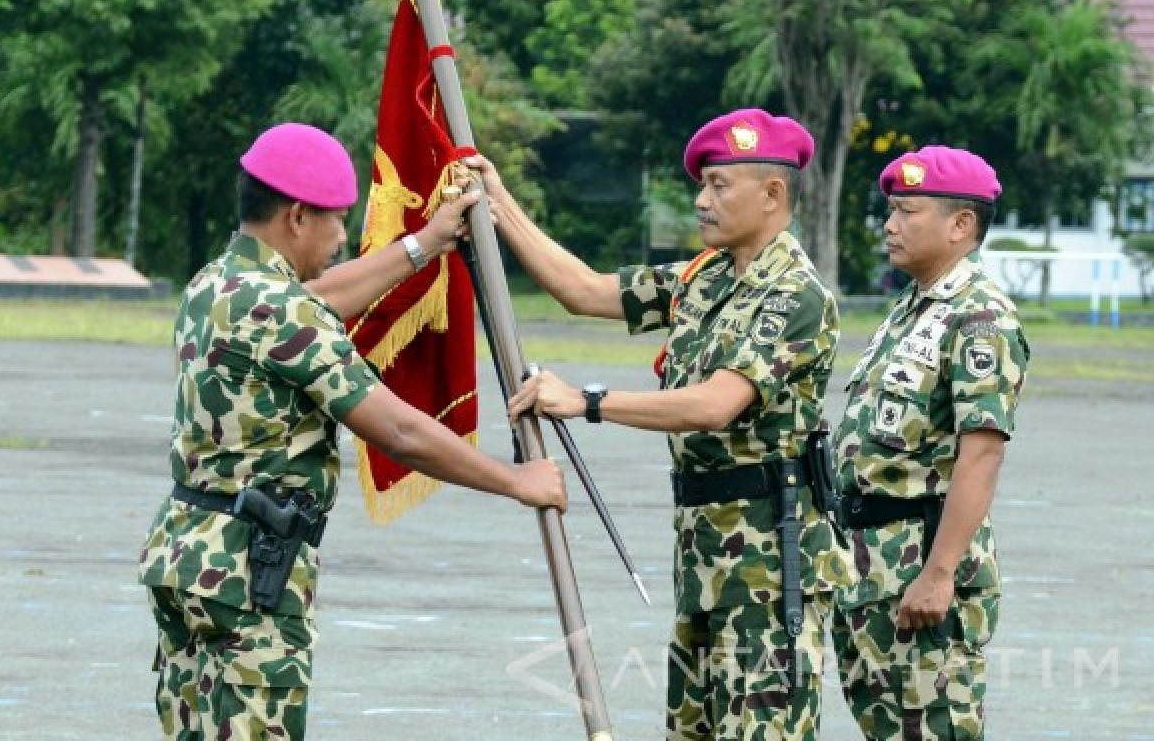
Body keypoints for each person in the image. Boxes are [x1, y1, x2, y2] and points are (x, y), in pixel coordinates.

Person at [137, 123, 566, 740]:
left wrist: (425, 244)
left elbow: (315, 299)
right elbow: (397, 430)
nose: (343, 238)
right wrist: (517, 480)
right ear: (296, 216)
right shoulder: (284, 310)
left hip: (186, 559)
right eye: (336, 222)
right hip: (247, 573)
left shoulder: (214, 284)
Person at [472, 107, 850, 740]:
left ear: (773, 194)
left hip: (768, 564)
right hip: (703, 554)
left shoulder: (795, 294)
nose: (702, 201)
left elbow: (714, 404)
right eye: (701, 185)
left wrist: (587, 401)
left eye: (719, 186)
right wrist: (498, 202)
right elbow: (588, 291)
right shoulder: (707, 277)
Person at [831, 146, 1030, 740]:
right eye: (891, 210)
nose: (890, 225)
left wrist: (941, 573)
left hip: (923, 571)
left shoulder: (980, 319)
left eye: (907, 211)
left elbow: (983, 451)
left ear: (960, 225)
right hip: (872, 570)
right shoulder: (911, 310)